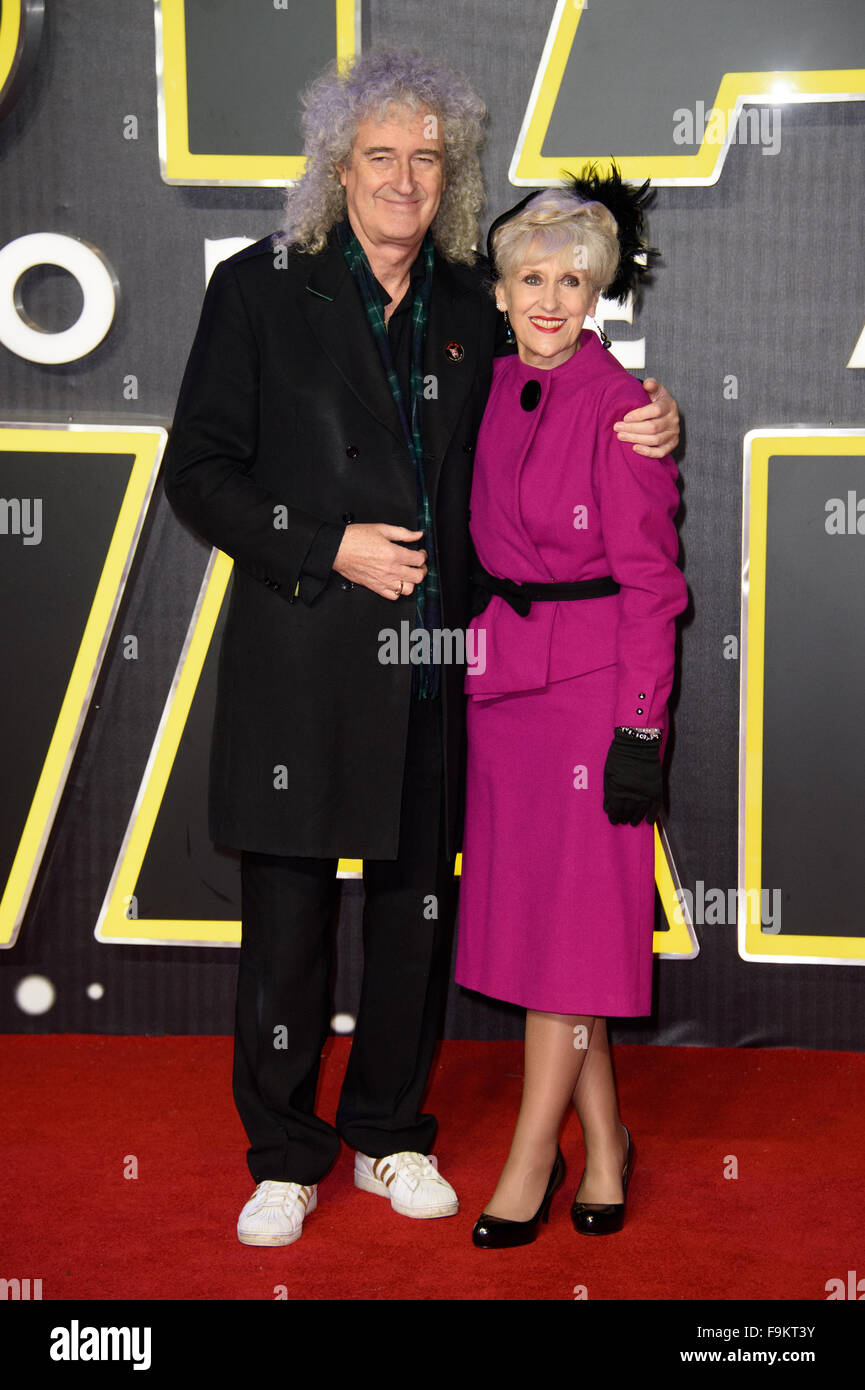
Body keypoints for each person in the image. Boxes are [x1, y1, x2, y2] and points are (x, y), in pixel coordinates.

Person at [162, 49, 680, 1248]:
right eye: (380, 154)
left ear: (449, 178)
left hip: (441, 662)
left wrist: (659, 413)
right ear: (339, 165)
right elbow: (198, 473)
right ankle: (286, 1152)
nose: (403, 177)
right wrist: (324, 544)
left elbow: (568, 393)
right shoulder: (256, 287)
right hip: (300, 645)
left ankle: (390, 1131)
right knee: (287, 925)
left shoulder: (470, 298)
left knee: (413, 915)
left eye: (427, 158)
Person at [455, 168, 688, 1247]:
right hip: (503, 690)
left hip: (596, 697)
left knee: (568, 940)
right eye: (530, 277)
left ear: (598, 293)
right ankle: (609, 1139)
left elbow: (655, 588)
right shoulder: (480, 386)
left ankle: (528, 1156)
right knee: (556, 934)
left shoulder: (627, 411)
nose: (549, 299)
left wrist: (640, 727)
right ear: (498, 292)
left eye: (572, 280)